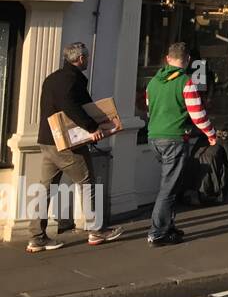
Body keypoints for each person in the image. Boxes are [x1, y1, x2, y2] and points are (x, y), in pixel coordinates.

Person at [28, 43, 124, 253]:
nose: (87, 61)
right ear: (81, 59)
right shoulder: (70, 80)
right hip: (66, 144)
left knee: (46, 187)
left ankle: (37, 236)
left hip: (47, 140)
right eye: (86, 58)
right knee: (86, 181)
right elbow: (70, 106)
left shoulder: (54, 77)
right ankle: (96, 230)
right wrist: (92, 127)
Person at [144, 42, 217, 246]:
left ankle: (168, 226)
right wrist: (211, 134)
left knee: (172, 183)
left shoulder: (153, 83)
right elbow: (197, 114)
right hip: (174, 139)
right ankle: (157, 233)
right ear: (187, 61)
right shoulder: (186, 82)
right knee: (168, 188)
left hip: (154, 138)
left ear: (168, 59)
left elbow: (149, 110)